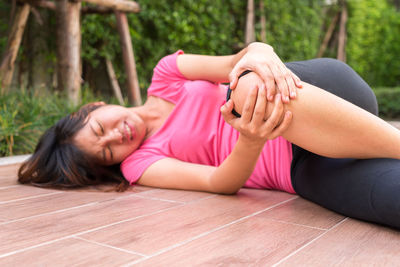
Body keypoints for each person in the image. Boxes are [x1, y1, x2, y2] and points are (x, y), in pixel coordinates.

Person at [18, 42, 400, 229]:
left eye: (101, 128)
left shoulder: (168, 73)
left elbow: (237, 65)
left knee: (245, 92)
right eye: (106, 153)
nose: (116, 136)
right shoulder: (139, 163)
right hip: (300, 170)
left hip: (320, 97)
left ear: (93, 106)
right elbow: (219, 182)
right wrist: (251, 140)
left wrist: (260, 51)